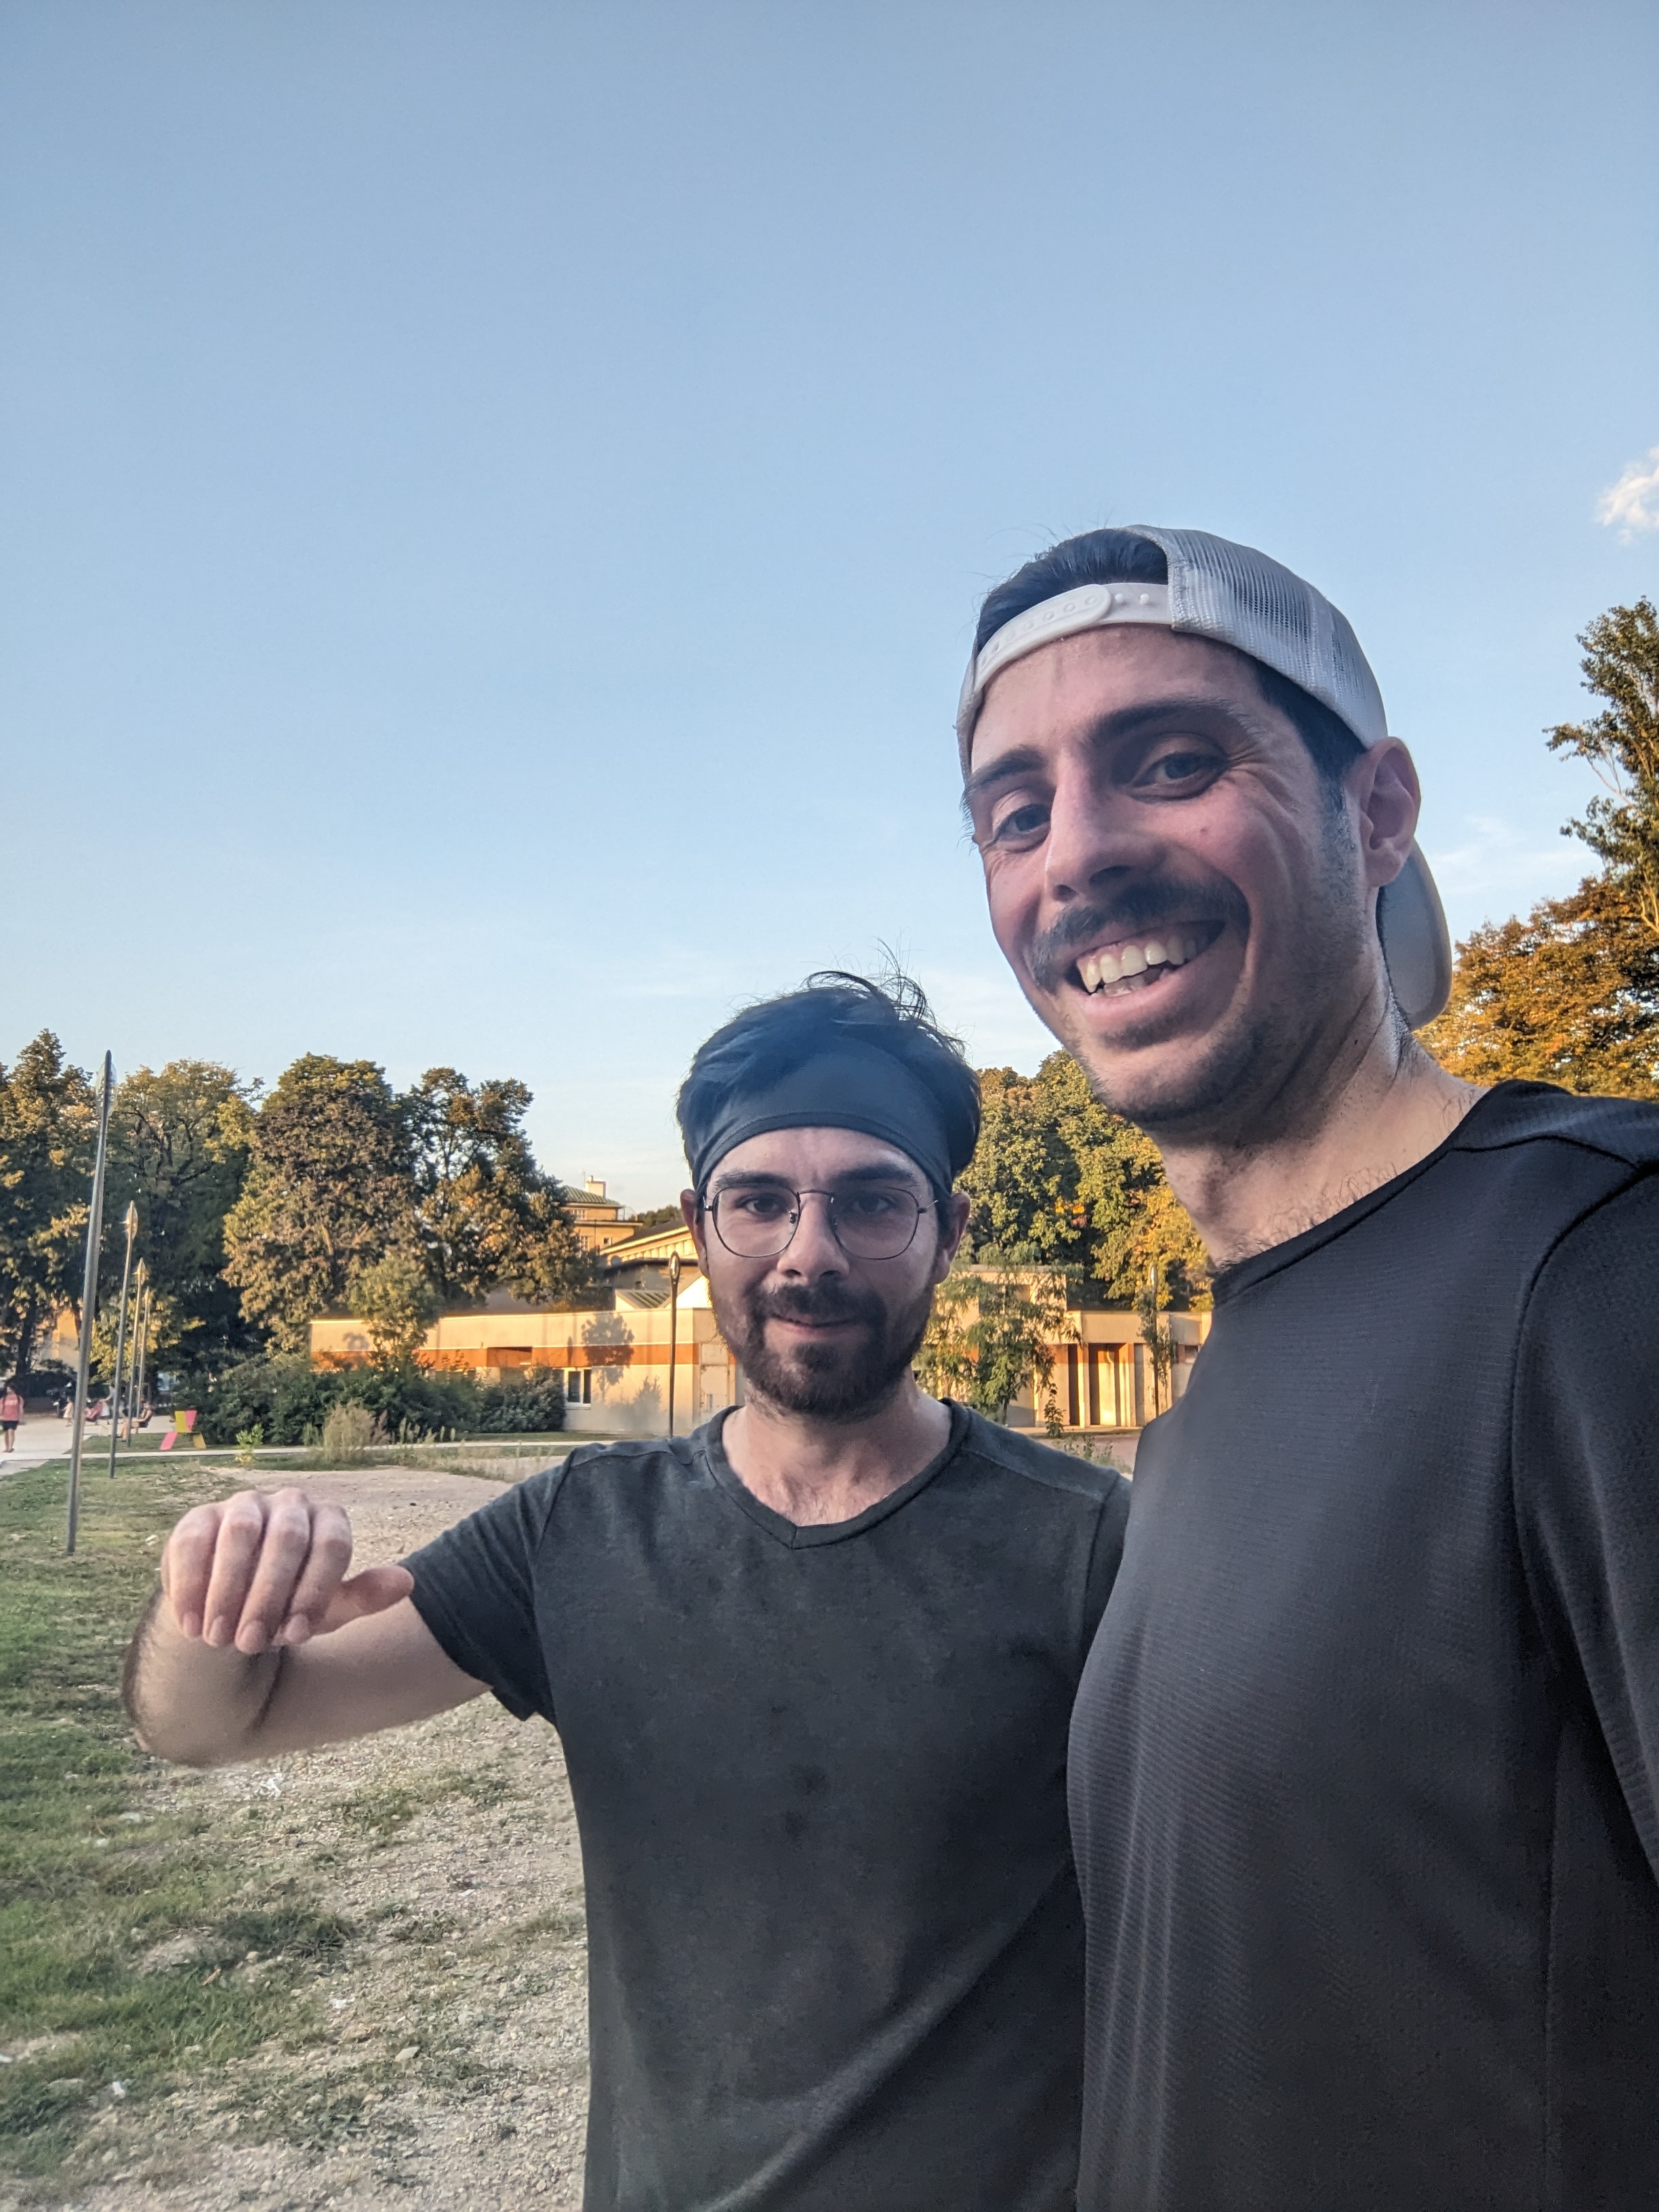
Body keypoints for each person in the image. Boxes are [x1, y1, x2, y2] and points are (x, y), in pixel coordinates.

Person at [123, 974, 1129, 2212]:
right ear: (701, 1231)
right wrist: (208, 1597)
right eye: (758, 1201)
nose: (809, 1252)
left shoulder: (1089, 1545)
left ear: (950, 1229)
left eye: (873, 1201)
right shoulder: (576, 1532)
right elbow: (212, 1723)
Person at [958, 524, 1659, 2211]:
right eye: (1014, 811)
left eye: (1170, 762)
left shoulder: (1600, 1264)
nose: (1077, 855)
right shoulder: (1197, 1421)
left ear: (1378, 811)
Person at [0, 1380, 21, 1452]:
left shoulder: (18, 1398)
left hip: (14, 1418)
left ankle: (10, 1447)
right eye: (7, 1389)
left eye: (9, 1389)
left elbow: (20, 1409)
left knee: (11, 1432)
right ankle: (7, 1447)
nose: (8, 1391)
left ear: (13, 1389)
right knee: (6, 1433)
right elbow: (1, 1408)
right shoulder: (4, 1399)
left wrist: (20, 1417)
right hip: (5, 1418)